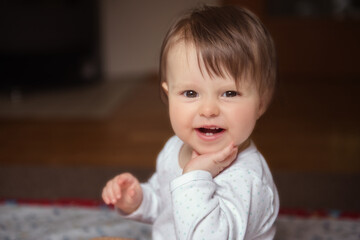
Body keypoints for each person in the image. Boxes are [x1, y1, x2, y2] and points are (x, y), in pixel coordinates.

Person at [102, 5, 279, 240]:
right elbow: (167, 205)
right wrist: (138, 200)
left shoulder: (248, 180)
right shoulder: (174, 148)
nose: (208, 110)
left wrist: (196, 176)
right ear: (168, 95)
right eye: (190, 93)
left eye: (229, 93)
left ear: (261, 103)